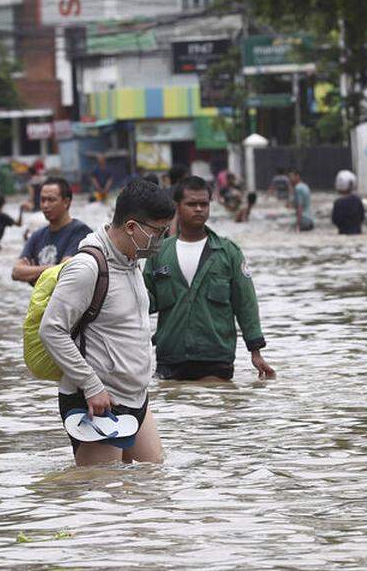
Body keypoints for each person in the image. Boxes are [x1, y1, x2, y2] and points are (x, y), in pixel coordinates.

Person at [39, 179, 176, 466]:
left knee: (153, 480)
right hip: (98, 402)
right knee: (101, 496)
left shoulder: (132, 262)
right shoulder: (87, 267)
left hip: (136, 396)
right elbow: (51, 330)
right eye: (158, 232)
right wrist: (91, 386)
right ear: (131, 227)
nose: (162, 240)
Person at [144, 177, 275, 382]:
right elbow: (141, 301)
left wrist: (255, 352)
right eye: (191, 204)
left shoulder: (228, 252)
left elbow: (245, 303)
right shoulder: (159, 253)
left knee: (214, 409)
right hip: (170, 358)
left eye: (204, 204)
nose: (198, 209)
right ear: (177, 206)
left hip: (215, 358)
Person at [12, 178, 93, 285]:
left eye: (51, 200)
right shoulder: (37, 235)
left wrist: (32, 271)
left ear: (66, 202)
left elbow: (64, 272)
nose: (45, 205)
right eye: (42, 200)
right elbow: (16, 272)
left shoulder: (81, 232)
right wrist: (51, 268)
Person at [331, 169, 366, 235]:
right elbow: (362, 217)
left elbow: (335, 220)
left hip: (343, 232)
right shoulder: (357, 200)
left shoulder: (338, 202)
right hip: (357, 232)